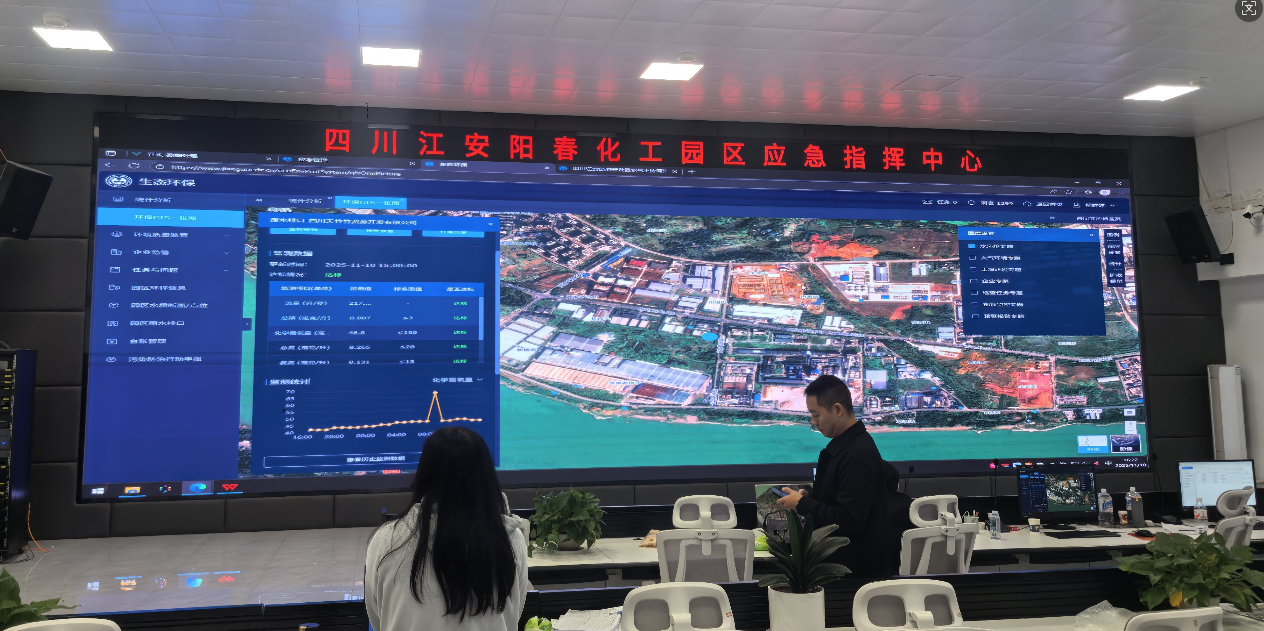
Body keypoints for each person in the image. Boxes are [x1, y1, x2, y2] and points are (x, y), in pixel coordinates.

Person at [366, 427, 529, 631]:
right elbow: (514, 612)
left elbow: (378, 617)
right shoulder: (511, 540)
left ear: (424, 473)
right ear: (486, 476)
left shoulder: (386, 540)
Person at [775, 374, 896, 577]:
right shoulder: (849, 446)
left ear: (838, 410)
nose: (813, 422)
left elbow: (848, 520)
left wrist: (803, 505)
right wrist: (809, 498)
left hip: (854, 575)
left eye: (816, 414)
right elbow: (837, 499)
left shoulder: (857, 454)